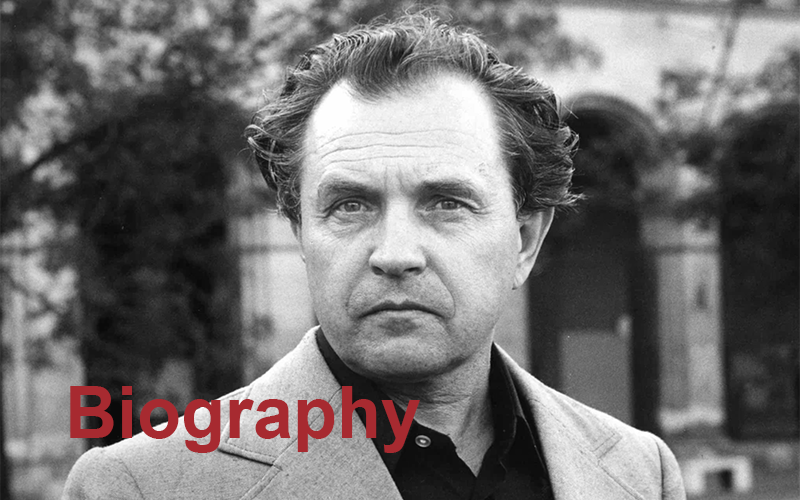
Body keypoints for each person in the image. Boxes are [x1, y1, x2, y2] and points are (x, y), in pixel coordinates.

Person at [63, 13, 686, 500]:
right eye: (350, 206)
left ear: (524, 241)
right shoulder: (140, 486)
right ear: (302, 235)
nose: (395, 254)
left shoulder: (638, 472)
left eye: (446, 203)